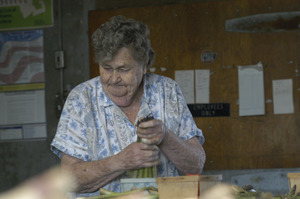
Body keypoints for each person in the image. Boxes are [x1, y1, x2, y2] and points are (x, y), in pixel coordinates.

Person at [50, 15, 206, 197]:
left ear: (144, 66)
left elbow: (196, 165)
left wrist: (166, 137)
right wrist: (122, 161)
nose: (114, 78)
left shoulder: (166, 91)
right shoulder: (82, 99)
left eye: (124, 69)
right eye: (107, 68)